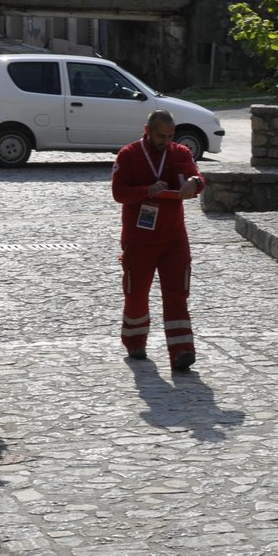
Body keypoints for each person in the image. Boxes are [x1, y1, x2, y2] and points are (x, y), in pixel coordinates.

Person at [111, 110, 205, 371]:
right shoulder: (128, 155)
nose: (166, 140)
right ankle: (134, 340)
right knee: (137, 292)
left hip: (174, 237)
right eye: (161, 135)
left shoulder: (180, 153)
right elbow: (118, 193)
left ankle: (181, 350)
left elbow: (197, 176)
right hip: (139, 238)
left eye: (170, 136)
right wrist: (146, 191)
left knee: (177, 292)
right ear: (147, 130)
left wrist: (194, 183)